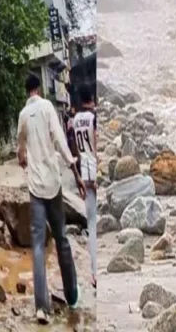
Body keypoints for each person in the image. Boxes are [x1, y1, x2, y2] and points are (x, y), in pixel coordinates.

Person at [17, 74, 86, 324]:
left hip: (35, 188)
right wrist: (75, 173)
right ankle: (72, 296)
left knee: (37, 245)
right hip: (54, 184)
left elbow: (20, 148)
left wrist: (22, 157)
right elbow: (60, 142)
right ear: (39, 89)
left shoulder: (23, 115)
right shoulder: (48, 108)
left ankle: (41, 308)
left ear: (27, 92)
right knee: (62, 239)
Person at [70, 88, 98, 289]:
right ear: (93, 100)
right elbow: (96, 145)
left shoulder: (75, 120)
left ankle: (94, 274)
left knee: (91, 225)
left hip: (83, 170)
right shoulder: (94, 118)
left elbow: (73, 149)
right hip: (94, 170)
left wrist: (77, 177)